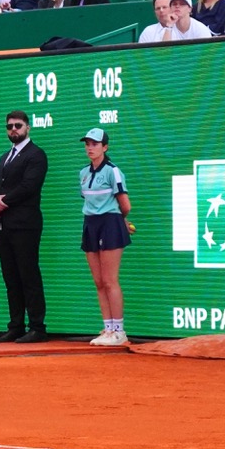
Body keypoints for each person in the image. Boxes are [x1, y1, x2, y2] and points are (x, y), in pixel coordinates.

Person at [0, 110, 49, 343]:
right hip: (4, 225)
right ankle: (16, 325)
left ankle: (37, 327)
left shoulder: (36, 155)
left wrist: (2, 201)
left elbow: (29, 186)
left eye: (18, 125)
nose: (13, 129)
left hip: (25, 224)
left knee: (28, 274)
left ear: (27, 127)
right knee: (10, 277)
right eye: (10, 126)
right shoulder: (5, 156)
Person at [78, 128, 133, 347]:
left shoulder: (113, 171)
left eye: (95, 144)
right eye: (87, 144)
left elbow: (125, 205)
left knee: (110, 280)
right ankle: (108, 328)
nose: (90, 148)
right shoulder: (83, 173)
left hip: (110, 223)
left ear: (105, 147)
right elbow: (89, 202)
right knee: (99, 281)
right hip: (90, 224)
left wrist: (120, 220)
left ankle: (119, 331)